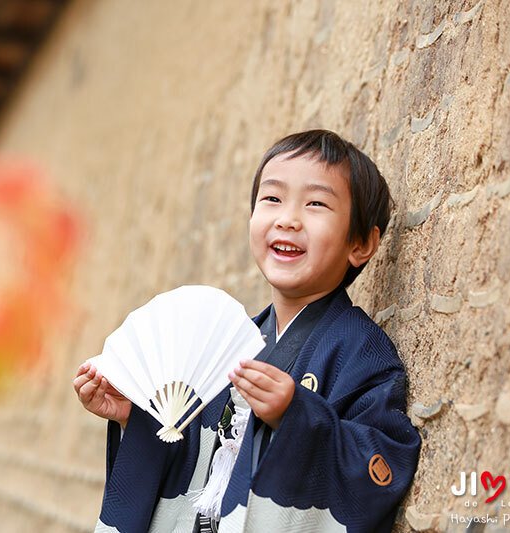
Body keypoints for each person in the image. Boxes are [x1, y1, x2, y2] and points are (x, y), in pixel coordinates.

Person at [73, 129, 421, 532]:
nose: (287, 219)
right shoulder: (231, 347)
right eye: (272, 199)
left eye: (315, 204)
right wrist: (138, 418)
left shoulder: (360, 351)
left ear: (360, 243)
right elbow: (194, 463)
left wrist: (297, 417)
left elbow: (382, 464)